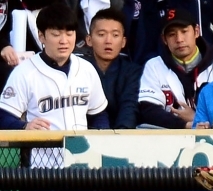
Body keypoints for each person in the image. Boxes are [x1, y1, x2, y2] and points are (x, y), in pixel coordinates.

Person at [0, 3, 109, 167]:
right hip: (40, 168)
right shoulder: (24, 72)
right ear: (41, 36)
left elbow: (99, 114)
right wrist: (23, 126)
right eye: (56, 34)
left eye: (69, 33)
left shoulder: (86, 69)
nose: (64, 41)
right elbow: (3, 116)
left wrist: (99, 143)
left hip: (83, 167)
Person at [137, 6, 213, 128]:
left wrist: (197, 118)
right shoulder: (154, 65)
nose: (179, 39)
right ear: (164, 39)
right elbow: (149, 110)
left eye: (184, 31)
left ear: (196, 31)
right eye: (172, 34)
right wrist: (186, 125)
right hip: (170, 136)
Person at [85, 7, 142, 128]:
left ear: (123, 42)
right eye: (101, 34)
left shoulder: (133, 72)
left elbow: (129, 108)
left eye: (115, 35)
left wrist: (118, 139)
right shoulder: (79, 69)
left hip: (121, 139)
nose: (108, 41)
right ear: (89, 40)